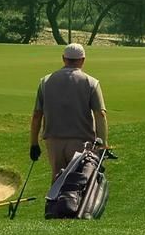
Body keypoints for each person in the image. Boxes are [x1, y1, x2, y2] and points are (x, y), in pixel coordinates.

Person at [29, 43, 108, 180]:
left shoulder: (45, 82)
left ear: (63, 58)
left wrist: (34, 143)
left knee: (58, 182)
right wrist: (102, 145)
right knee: (79, 183)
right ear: (83, 60)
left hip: (54, 142)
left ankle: (55, 202)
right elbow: (100, 114)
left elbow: (37, 115)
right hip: (82, 143)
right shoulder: (91, 82)